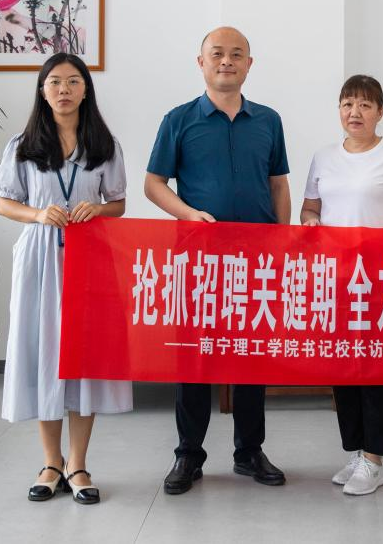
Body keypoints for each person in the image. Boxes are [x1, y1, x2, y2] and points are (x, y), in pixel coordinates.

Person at [144, 26, 291, 495]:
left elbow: (279, 185)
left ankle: (249, 451)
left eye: (236, 54)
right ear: (201, 62)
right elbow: (153, 184)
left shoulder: (268, 120)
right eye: (217, 54)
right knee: (194, 357)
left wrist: (283, 242)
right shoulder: (179, 119)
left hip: (257, 260)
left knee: (251, 356)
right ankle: (189, 454)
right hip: (200, 260)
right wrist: (189, 214)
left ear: (249, 64)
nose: (226, 61)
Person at [0, 52, 132, 506]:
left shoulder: (104, 144)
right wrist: (38, 214)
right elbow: (3, 202)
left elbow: (118, 203)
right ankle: (50, 462)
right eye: (55, 82)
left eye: (73, 81)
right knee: (45, 354)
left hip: (90, 259)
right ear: (42, 90)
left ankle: (78, 463)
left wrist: (99, 208)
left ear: (86, 90)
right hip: (41, 260)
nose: (64, 90)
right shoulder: (23, 145)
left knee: (84, 356)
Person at [300, 75, 383, 496]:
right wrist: (311, 223)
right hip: (336, 278)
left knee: (377, 365)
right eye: (347, 104)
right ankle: (356, 451)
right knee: (345, 364)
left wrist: (380, 241)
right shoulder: (323, 157)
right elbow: (309, 208)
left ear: (380, 112)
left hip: (380, 279)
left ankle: (375, 458)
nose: (354, 113)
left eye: (365, 105)